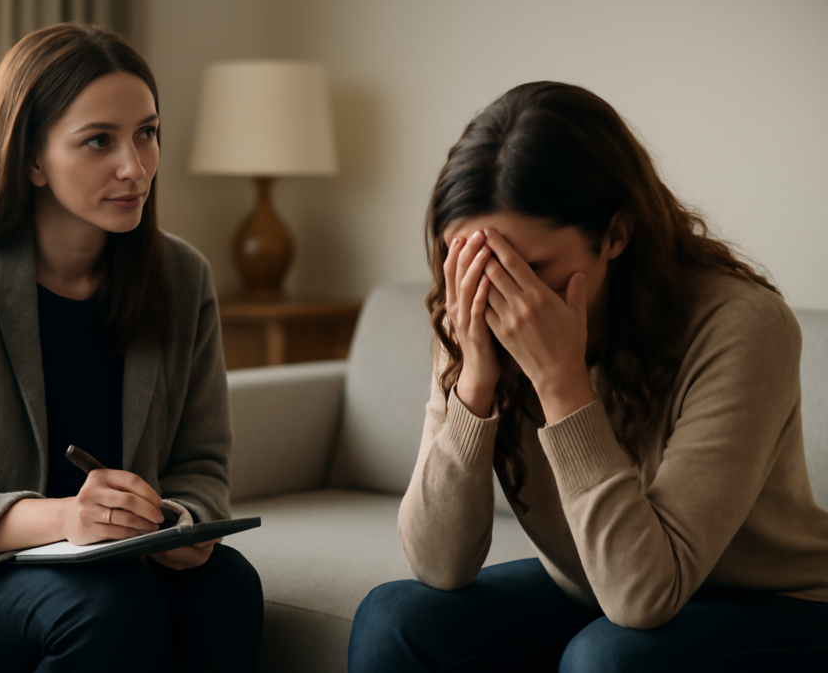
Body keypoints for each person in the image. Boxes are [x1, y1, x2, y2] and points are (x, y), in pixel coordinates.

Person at [348, 81, 828, 672]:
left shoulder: (743, 326)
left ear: (616, 236)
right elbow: (437, 565)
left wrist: (560, 383)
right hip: (599, 588)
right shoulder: (471, 316)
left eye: (532, 268)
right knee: (395, 619)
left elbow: (644, 594)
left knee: (609, 657)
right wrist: (473, 383)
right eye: (475, 265)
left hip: (773, 605)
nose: (503, 295)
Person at [0, 23, 263, 672]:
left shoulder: (182, 276)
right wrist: (66, 517)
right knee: (106, 608)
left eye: (147, 132)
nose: (135, 165)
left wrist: (178, 521)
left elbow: (201, 463)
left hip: (107, 563)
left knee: (226, 586)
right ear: (33, 157)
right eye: (99, 141)